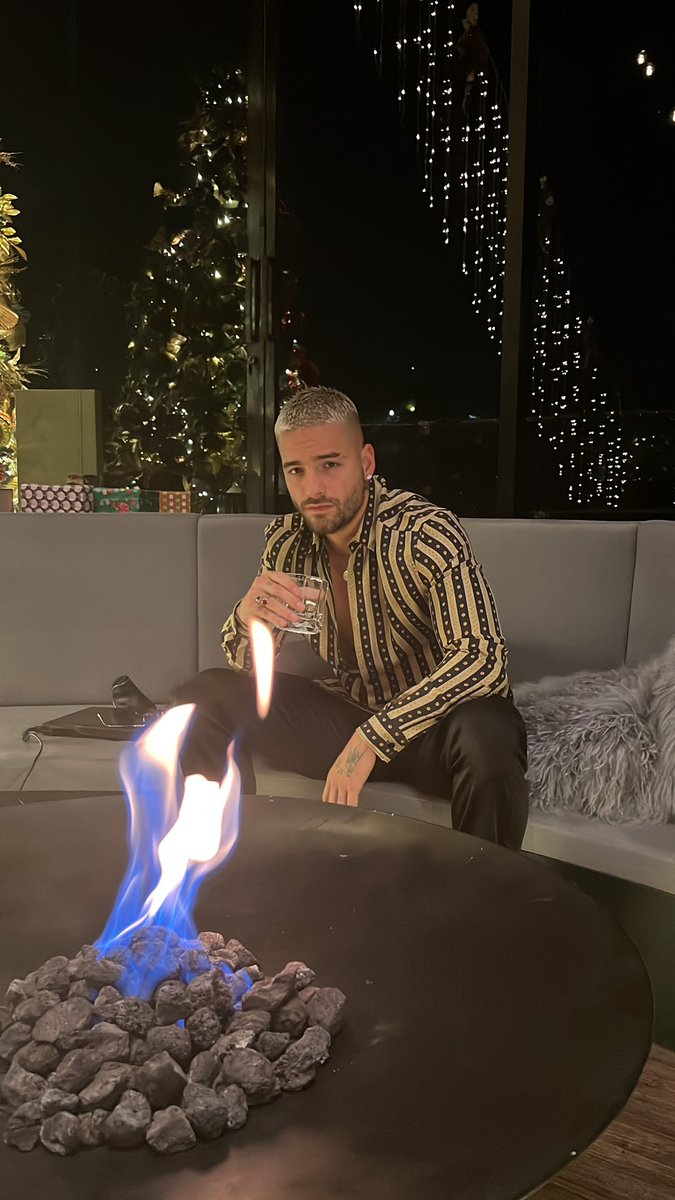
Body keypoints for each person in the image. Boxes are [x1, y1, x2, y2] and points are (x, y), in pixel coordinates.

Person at [173, 387, 528, 851]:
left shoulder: (424, 532)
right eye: (296, 470)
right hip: (344, 717)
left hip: (432, 732)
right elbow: (249, 667)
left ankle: (486, 893)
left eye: (330, 465)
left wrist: (374, 738)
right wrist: (247, 618)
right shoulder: (287, 542)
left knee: (489, 734)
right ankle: (223, 865)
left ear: (366, 461)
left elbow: (483, 659)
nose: (312, 489)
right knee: (202, 696)